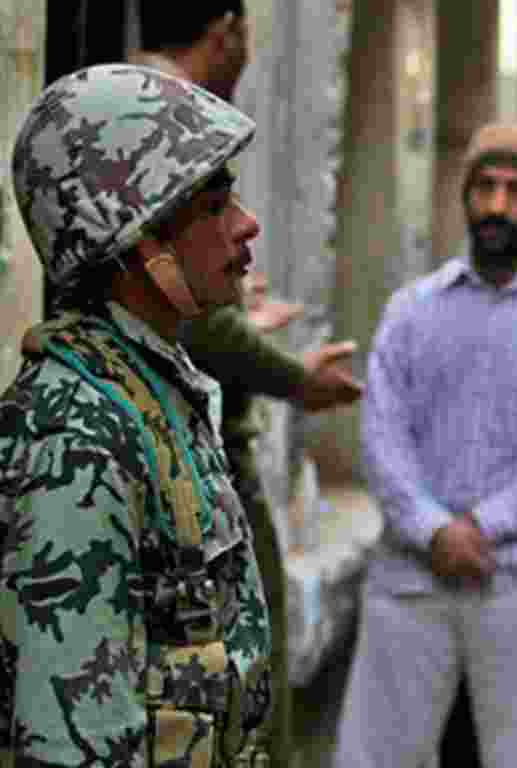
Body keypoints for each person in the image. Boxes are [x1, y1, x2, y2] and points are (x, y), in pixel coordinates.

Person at [335, 120, 517, 768]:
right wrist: (434, 530)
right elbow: (382, 433)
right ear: (465, 196)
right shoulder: (413, 309)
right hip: (413, 571)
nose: (497, 206)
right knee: (375, 757)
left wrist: (486, 527)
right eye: (485, 188)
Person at [0, 64, 271, 768]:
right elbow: (69, 738)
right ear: (138, 244)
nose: (246, 225)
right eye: (212, 205)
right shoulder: (78, 430)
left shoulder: (151, 387)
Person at [130, 6, 364, 767]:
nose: (247, 224)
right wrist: (295, 378)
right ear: (228, 28)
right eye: (216, 204)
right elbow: (183, 310)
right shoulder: (160, 115)